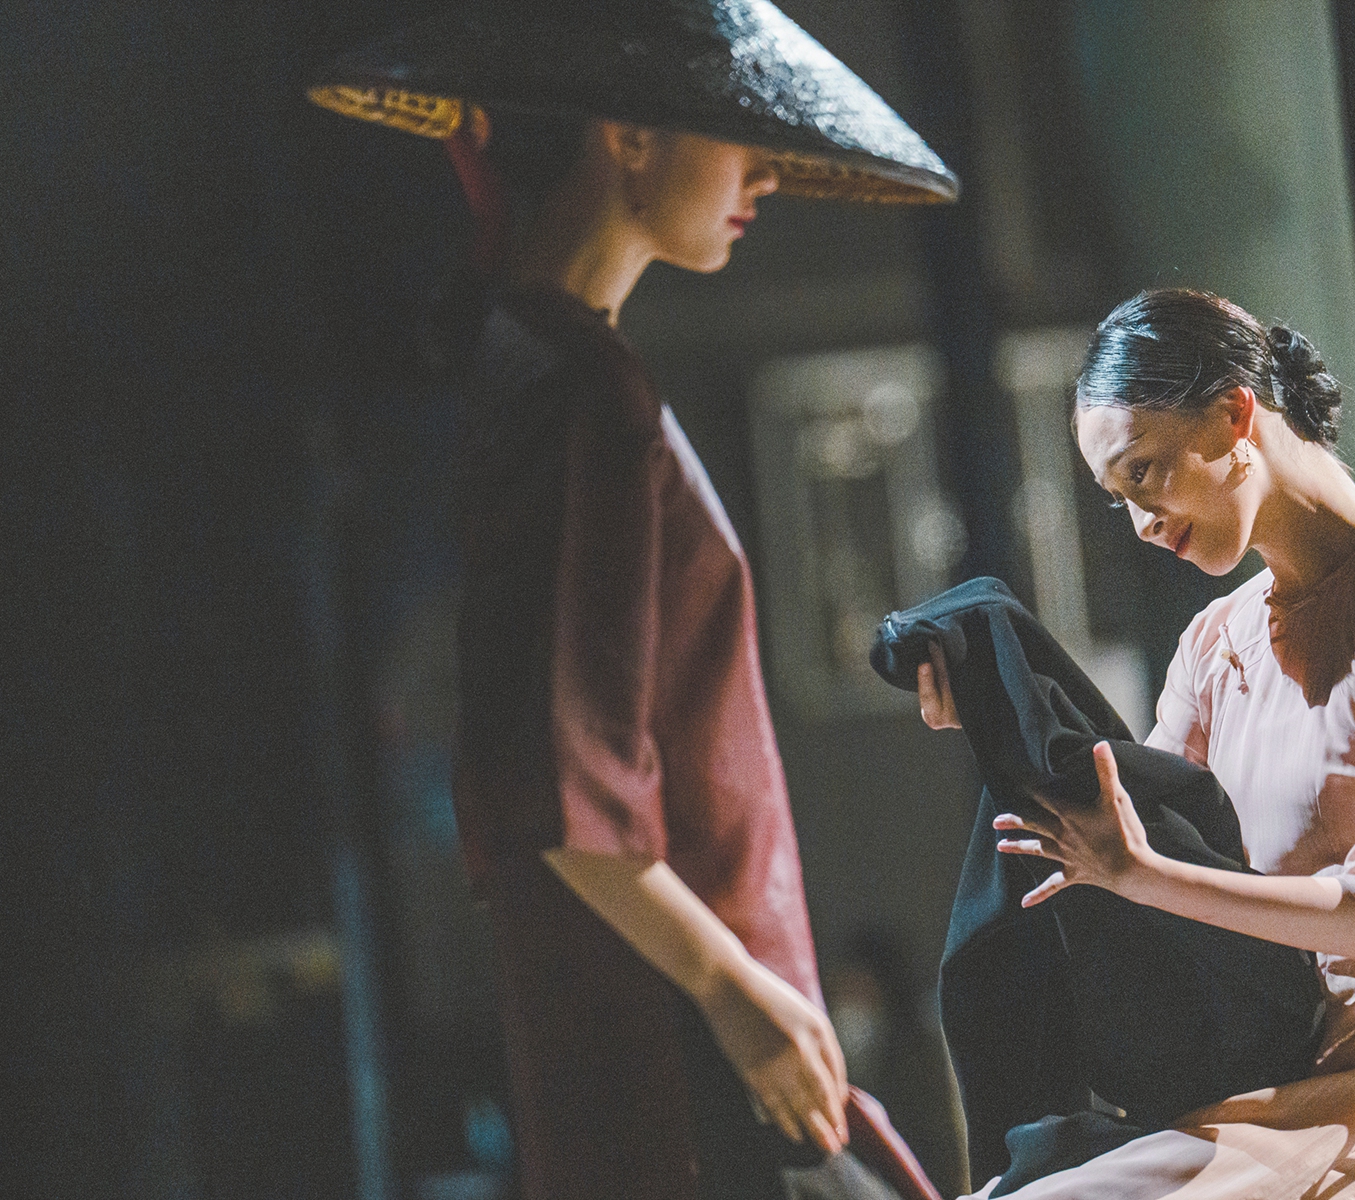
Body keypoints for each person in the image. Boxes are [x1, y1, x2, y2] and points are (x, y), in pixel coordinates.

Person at [307, 4, 958, 1199]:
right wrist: (729, 988)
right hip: (685, 1046)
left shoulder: (533, 366)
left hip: (657, 1026)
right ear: (629, 134)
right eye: (733, 135)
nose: (765, 174)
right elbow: (559, 783)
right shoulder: (576, 388)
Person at [919, 289, 1355, 1198]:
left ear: (1234, 414)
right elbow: (1137, 842)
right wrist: (991, 722)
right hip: (1265, 1093)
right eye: (1119, 499)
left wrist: (1142, 874)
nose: (1143, 523)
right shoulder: (1216, 647)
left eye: (1145, 472)